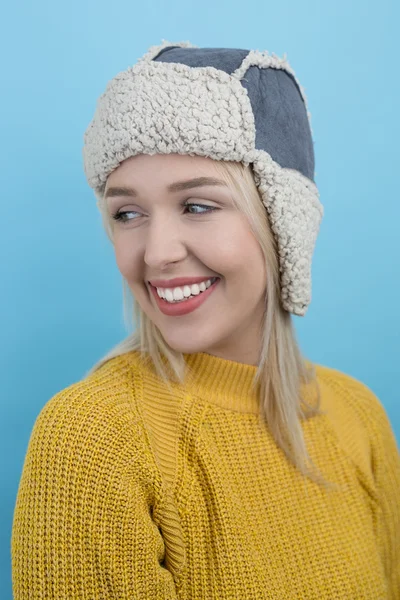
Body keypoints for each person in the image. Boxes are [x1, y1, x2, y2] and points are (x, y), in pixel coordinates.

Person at [11, 40, 400, 599]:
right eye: (128, 213)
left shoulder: (357, 416)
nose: (156, 252)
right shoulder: (93, 439)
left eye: (196, 205)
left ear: (281, 224)